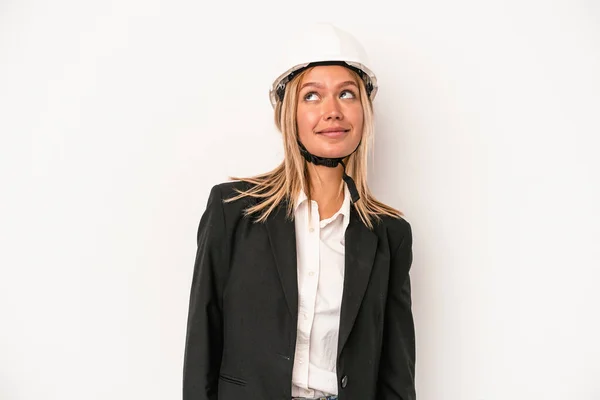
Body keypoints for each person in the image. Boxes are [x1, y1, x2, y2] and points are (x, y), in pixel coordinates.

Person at [182, 23, 416, 400]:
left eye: (346, 94)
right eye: (312, 96)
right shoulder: (233, 212)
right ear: (287, 113)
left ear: (364, 112)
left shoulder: (389, 235)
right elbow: (201, 347)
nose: (332, 111)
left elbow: (396, 372)